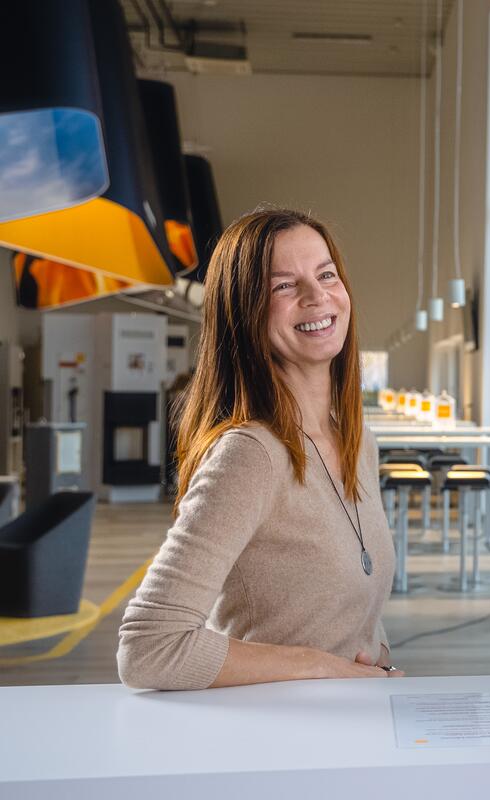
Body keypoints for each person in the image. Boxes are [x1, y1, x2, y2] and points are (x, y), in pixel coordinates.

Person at [118, 208, 402, 689]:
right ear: (245, 311)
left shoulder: (357, 442)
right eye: (284, 286)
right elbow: (149, 647)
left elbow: (348, 603)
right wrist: (320, 665)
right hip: (271, 742)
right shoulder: (250, 455)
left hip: (345, 730)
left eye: (326, 274)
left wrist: (377, 661)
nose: (317, 296)